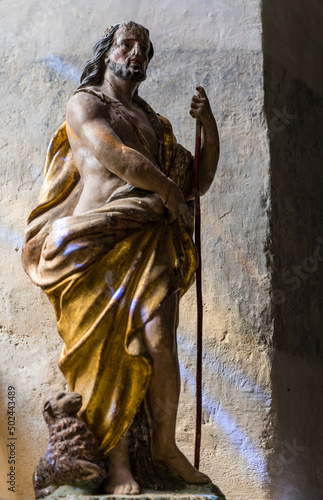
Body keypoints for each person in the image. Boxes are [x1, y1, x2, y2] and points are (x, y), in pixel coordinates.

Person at [22, 21, 219, 495]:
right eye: (126, 44)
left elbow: (194, 185)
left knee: (159, 344)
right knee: (109, 357)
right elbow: (116, 155)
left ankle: (165, 449)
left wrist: (208, 128)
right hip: (96, 245)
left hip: (149, 241)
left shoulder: (159, 126)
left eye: (144, 49)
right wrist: (168, 192)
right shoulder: (86, 102)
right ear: (107, 53)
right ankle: (117, 465)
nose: (136, 53)